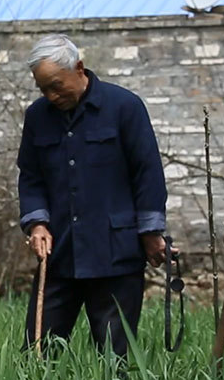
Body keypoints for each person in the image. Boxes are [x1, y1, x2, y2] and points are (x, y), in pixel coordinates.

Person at [17, 33, 170, 357]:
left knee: (114, 357)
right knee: (37, 352)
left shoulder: (124, 107)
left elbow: (148, 174)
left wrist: (151, 233)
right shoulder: (37, 117)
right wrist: (37, 225)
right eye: (43, 88)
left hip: (116, 252)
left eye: (56, 85)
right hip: (59, 255)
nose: (51, 95)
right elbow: (31, 178)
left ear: (79, 68)